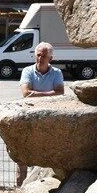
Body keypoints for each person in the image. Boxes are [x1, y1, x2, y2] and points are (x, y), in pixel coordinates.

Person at [17, 42, 65, 184]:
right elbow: (26, 93)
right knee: (22, 156)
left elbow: (60, 92)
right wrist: (50, 94)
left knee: (44, 155)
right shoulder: (27, 71)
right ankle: (19, 187)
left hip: (49, 119)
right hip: (28, 118)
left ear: (50, 58)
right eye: (38, 55)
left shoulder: (57, 73)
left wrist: (35, 94)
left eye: (43, 56)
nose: (40, 58)